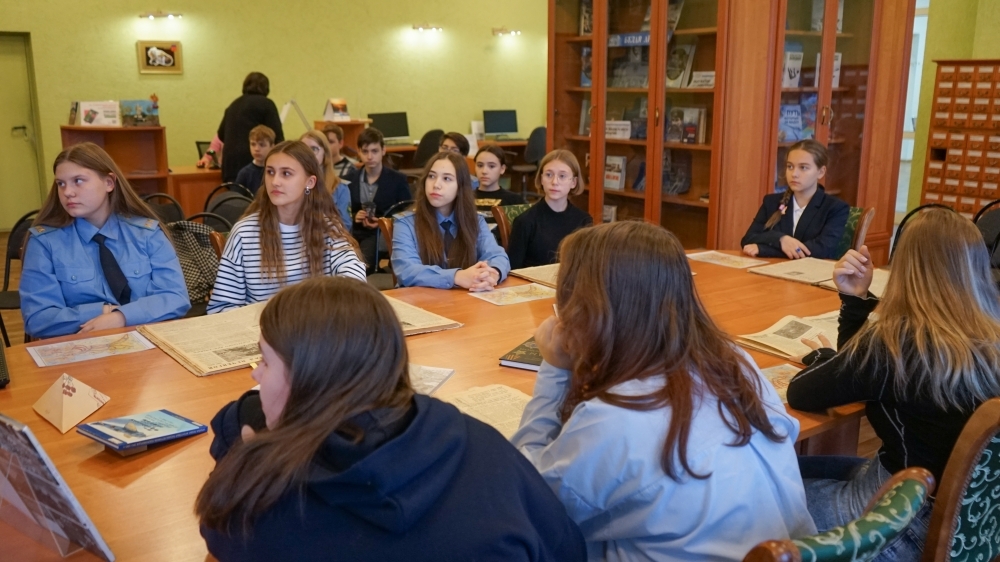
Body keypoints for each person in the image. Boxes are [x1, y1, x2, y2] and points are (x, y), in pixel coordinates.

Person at [196, 277, 587, 562]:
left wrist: (244, 448)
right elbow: (565, 545)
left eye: (265, 361)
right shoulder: (477, 440)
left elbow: (217, 524)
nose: (256, 374)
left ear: (308, 379)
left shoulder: (267, 508)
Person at [511, 221, 816, 561]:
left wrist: (554, 367)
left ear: (589, 309)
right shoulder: (734, 360)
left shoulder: (615, 417)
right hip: (791, 547)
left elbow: (525, 503)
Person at [787, 209, 1000, 558]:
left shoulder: (896, 343)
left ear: (904, 267)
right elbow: (864, 376)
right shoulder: (990, 333)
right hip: (970, 519)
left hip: (905, 518)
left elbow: (801, 393)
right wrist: (855, 302)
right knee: (780, 470)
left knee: (757, 492)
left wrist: (826, 359)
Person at [20, 142, 190, 338]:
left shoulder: (146, 234)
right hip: (81, 345)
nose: (67, 192)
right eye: (61, 184)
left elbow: (175, 297)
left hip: (147, 342)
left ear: (109, 183)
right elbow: (38, 318)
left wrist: (120, 317)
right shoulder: (44, 243)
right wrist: (102, 311)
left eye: (78, 181)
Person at [207, 141, 365, 314]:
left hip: (314, 326)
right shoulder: (244, 233)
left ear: (310, 182)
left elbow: (355, 283)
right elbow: (221, 307)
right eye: (270, 172)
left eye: (286, 173)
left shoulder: (328, 229)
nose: (275, 181)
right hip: (260, 328)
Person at [391, 152, 510, 290]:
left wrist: (492, 274)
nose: (436, 185)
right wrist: (457, 277)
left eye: (446, 178)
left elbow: (497, 255)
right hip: (418, 299)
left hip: (464, 298)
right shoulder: (405, 223)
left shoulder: (475, 221)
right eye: (431, 176)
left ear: (460, 187)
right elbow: (407, 271)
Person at [741, 139, 849, 260]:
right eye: (790, 166)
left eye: (803, 167)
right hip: (773, 268)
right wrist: (781, 239)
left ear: (821, 172)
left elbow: (822, 249)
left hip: (811, 270)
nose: (794, 174)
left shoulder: (835, 208)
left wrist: (765, 249)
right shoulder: (771, 202)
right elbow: (748, 239)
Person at [507, 150, 592, 269]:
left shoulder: (584, 220)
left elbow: (587, 266)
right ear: (541, 179)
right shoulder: (525, 221)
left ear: (573, 182)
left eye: (562, 176)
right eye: (549, 175)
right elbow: (513, 269)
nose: (554, 182)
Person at [345, 128, 412, 273]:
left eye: (374, 151)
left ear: (383, 150)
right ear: (359, 152)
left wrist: (383, 221)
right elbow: (343, 210)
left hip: (380, 234)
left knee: (361, 265)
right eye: (365, 151)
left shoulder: (398, 180)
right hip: (353, 231)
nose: (370, 156)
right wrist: (355, 215)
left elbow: (407, 212)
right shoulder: (349, 180)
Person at [217, 72, 284, 183]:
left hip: (229, 166)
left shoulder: (233, 105)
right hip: (254, 169)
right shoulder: (267, 104)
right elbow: (278, 138)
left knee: (236, 193)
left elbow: (221, 135)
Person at [299, 130, 352, 231]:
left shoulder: (340, 188)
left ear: (325, 153)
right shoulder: (293, 184)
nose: (308, 154)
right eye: (304, 149)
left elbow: (345, 226)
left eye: (314, 149)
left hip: (330, 238)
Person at [235, 125, 274, 196]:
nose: (256, 149)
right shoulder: (244, 173)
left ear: (272, 147)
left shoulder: (275, 171)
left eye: (262, 145)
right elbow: (237, 198)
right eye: (253, 144)